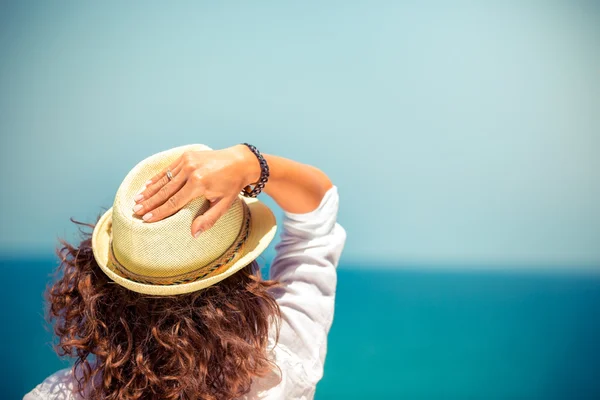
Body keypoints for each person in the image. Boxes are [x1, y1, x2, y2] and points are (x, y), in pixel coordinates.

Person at [23, 143, 347, 400]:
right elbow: (315, 222)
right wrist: (251, 162)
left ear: (103, 288)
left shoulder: (58, 395)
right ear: (242, 283)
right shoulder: (280, 376)